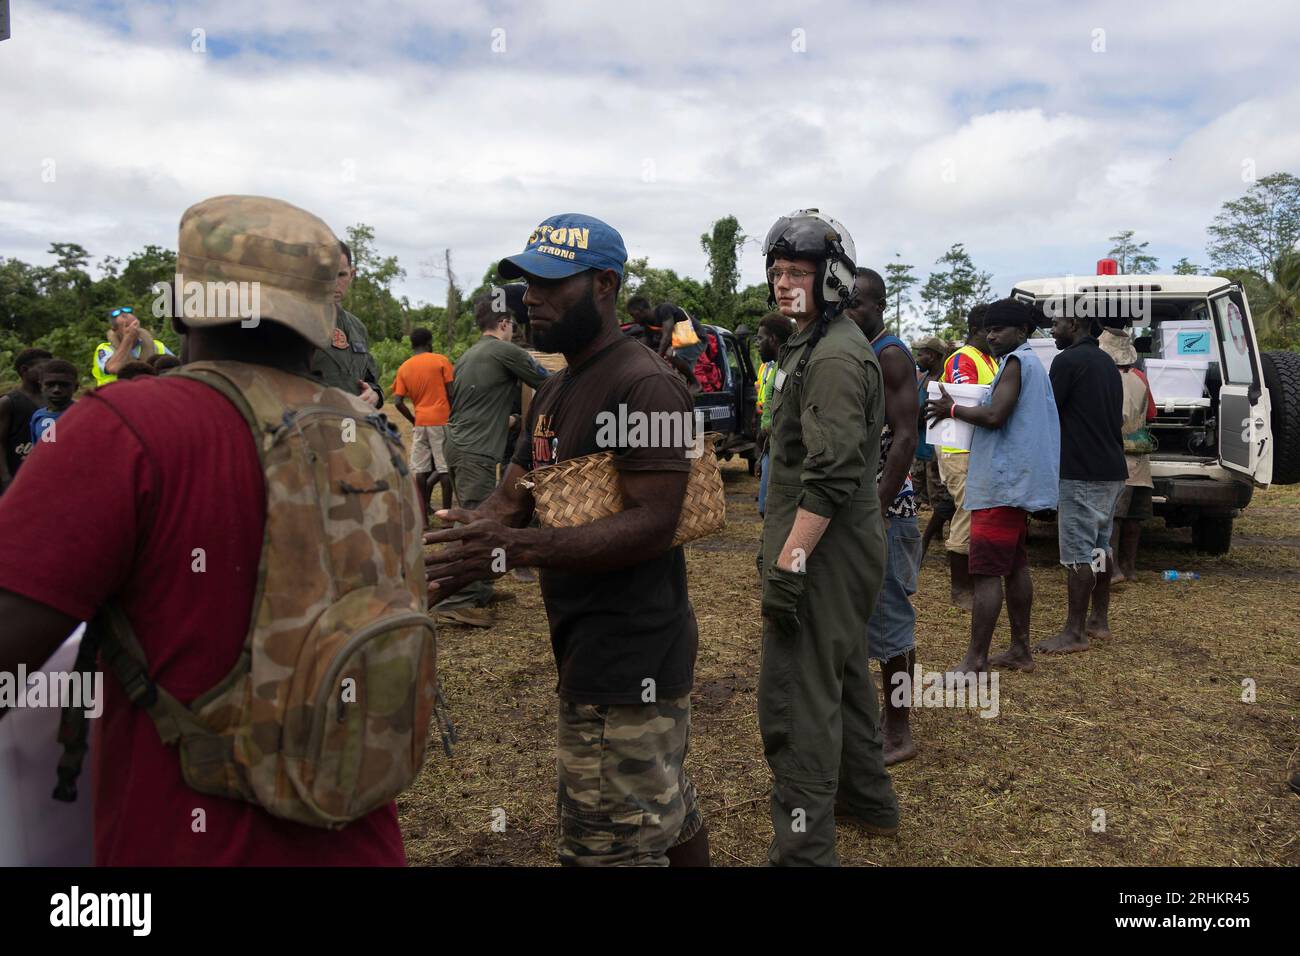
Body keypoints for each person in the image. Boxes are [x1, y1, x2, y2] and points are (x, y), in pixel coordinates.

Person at [0, 195, 410, 865]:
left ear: (184, 305)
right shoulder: (372, 435)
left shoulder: (123, 427)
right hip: (359, 832)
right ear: (322, 315)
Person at [424, 213, 709, 867]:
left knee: (605, 849)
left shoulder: (648, 387)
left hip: (633, 653)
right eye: (527, 282)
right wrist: (450, 560)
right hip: (586, 641)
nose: (532, 297)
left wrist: (518, 551)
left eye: (551, 283)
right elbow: (513, 497)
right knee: (667, 808)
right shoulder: (554, 388)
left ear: (604, 284)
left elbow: (654, 522)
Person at [756, 209, 898, 866]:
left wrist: (790, 562)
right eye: (779, 271)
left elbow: (833, 472)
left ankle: (804, 851)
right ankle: (866, 800)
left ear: (831, 278)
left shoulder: (835, 355)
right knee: (842, 675)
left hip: (822, 550)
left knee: (798, 698)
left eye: (799, 273)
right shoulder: (809, 342)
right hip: (839, 547)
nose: (786, 284)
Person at [927, 299, 1059, 674]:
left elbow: (994, 415)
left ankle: (975, 659)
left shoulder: (1017, 363)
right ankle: (1020, 650)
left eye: (999, 328)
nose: (991, 334)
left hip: (1000, 485)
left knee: (985, 572)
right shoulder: (1025, 363)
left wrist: (950, 409)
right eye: (988, 328)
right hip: (1013, 483)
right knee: (1016, 566)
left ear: (1022, 331)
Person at [434, 289, 549, 627]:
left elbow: (477, 404)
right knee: (476, 521)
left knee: (476, 514)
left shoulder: (470, 354)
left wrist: (510, 419)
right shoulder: (504, 351)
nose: (514, 329)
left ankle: (480, 587)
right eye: (512, 323)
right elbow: (549, 381)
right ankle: (456, 601)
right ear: (503, 323)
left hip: (458, 445)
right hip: (476, 449)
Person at [846, 267, 921, 766]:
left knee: (892, 624)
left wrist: (876, 508)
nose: (849, 312)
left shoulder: (889, 354)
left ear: (878, 306)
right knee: (870, 619)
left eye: (857, 304)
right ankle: (883, 720)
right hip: (870, 508)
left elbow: (906, 438)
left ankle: (899, 732)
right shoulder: (861, 351)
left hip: (888, 511)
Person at [1036, 309, 1127, 655]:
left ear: (1073, 325)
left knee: (1078, 553)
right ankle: (1098, 621)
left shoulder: (1068, 361)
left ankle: (1074, 632)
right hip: (1112, 469)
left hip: (1081, 471)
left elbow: (1048, 412)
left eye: (1056, 324)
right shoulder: (1107, 363)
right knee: (1100, 547)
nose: (1052, 330)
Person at [937, 307, 999, 609]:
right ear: (976, 330)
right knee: (966, 510)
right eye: (989, 330)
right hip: (958, 448)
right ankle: (959, 589)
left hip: (975, 447)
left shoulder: (988, 358)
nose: (993, 337)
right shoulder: (963, 358)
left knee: (974, 510)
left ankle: (969, 583)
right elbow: (966, 398)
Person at [1101, 328, 1157, 586]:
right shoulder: (1140, 377)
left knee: (1113, 518)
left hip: (1113, 453)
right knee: (1135, 518)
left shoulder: (1103, 376)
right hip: (1140, 454)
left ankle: (1111, 571)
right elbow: (1152, 413)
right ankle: (1130, 568)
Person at [309, 241, 383, 408]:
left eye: (341, 275)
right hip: (312, 424)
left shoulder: (357, 328)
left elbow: (371, 381)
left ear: (352, 274)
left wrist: (374, 394)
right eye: (327, 275)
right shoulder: (295, 320)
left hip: (353, 426)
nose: (334, 283)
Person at [392, 327, 455, 520]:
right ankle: (446, 518)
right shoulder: (441, 361)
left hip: (420, 423)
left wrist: (413, 419)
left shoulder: (404, 367)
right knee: (444, 468)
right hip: (441, 419)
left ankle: (424, 520)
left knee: (420, 469)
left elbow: (397, 402)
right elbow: (451, 393)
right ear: (429, 343)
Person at [913, 336, 957, 559]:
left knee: (940, 496)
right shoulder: (922, 379)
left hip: (936, 449)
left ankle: (946, 540)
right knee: (918, 494)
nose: (918, 358)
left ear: (934, 356)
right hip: (920, 447)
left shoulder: (943, 380)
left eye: (922, 354)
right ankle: (933, 537)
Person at [754, 312, 793, 518]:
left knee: (769, 510)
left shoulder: (787, 369)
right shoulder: (775, 368)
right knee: (765, 509)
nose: (757, 344)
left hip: (780, 449)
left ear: (773, 339)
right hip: (770, 447)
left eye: (760, 338)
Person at [0, 348, 52, 493]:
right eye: (43, 368)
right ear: (24, 370)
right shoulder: (9, 403)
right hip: (16, 475)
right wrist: (5, 479)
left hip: (45, 476)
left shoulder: (55, 401)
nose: (48, 373)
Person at [92, 307, 174, 386]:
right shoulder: (105, 349)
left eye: (134, 324)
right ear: (115, 330)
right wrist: (128, 339)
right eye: (127, 326)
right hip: (114, 395)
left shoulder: (156, 345)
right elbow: (112, 367)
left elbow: (176, 366)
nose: (132, 329)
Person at [627, 296, 707, 375]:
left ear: (641, 310)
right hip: (682, 344)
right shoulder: (648, 326)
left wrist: (657, 360)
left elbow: (666, 337)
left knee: (670, 355)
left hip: (697, 338)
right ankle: (688, 383)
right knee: (678, 373)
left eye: (633, 315)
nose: (633, 319)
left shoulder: (665, 309)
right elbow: (647, 344)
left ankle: (695, 383)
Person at [29, 360, 79, 445]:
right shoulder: (38, 416)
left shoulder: (84, 415)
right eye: (50, 384)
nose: (56, 390)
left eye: (64, 385)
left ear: (76, 387)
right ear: (41, 386)